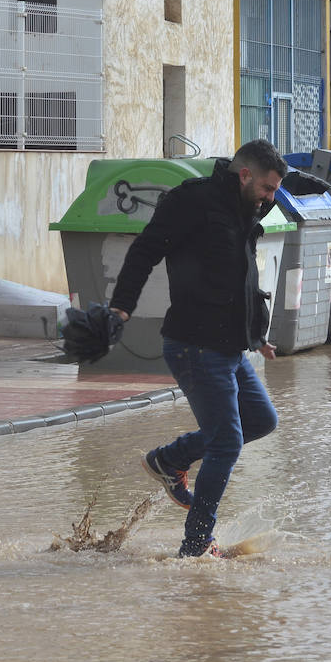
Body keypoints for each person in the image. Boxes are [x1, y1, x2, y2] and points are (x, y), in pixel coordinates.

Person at [108, 139, 286, 558]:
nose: (270, 199)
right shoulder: (193, 202)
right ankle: (196, 544)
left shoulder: (246, 209)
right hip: (194, 345)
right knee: (227, 441)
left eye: (275, 191)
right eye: (267, 189)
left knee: (260, 420)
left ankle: (170, 461)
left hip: (229, 347)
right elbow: (144, 251)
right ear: (244, 176)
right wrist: (121, 307)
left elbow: (239, 278)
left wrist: (256, 335)